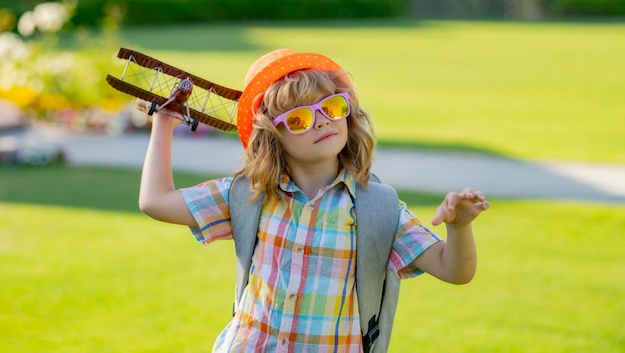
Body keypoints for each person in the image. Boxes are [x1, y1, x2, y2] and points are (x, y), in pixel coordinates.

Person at [137, 48, 490, 352]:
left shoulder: (378, 209)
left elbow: (455, 270)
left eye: (332, 107)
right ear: (272, 137)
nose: (321, 122)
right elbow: (156, 200)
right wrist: (165, 121)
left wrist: (459, 227)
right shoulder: (249, 193)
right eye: (300, 118)